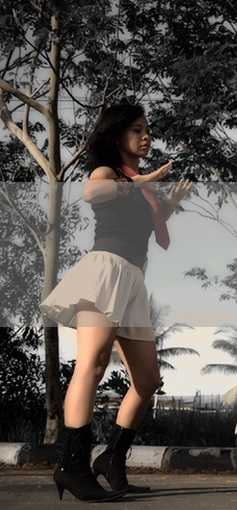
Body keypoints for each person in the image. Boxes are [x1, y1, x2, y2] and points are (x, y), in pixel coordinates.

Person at [40, 103, 192, 502]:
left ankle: (112, 458)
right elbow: (91, 191)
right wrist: (140, 181)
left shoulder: (139, 185)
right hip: (106, 271)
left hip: (133, 280)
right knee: (92, 362)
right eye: (137, 130)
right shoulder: (108, 172)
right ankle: (72, 465)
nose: (146, 136)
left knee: (147, 379)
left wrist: (168, 203)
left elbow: (146, 227)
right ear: (117, 134)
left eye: (147, 130)